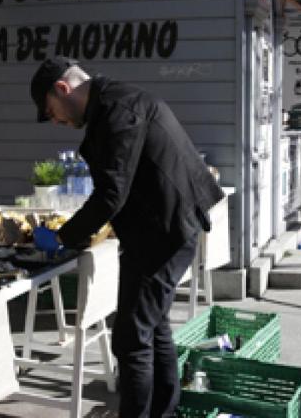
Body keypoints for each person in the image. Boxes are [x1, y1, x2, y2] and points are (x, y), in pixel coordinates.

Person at [28, 57, 223, 418]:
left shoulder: (118, 111)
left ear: (62, 88)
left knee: (131, 339)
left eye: (50, 111)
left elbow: (111, 193)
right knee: (154, 326)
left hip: (165, 230)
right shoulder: (113, 103)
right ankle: (165, 412)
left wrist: (63, 238)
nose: (55, 120)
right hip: (159, 226)